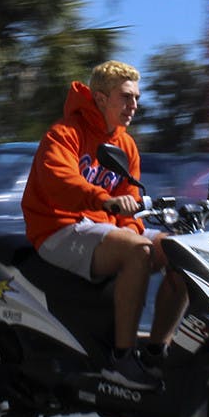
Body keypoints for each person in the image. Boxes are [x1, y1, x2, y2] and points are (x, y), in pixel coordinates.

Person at [21, 60, 187, 390]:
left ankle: (155, 353)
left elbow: (129, 201)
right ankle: (122, 361)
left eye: (136, 98)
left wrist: (131, 226)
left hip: (99, 229)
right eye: (125, 97)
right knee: (137, 251)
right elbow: (60, 183)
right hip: (58, 227)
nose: (134, 106)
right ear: (99, 98)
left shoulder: (125, 145)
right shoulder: (64, 134)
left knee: (181, 253)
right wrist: (102, 200)